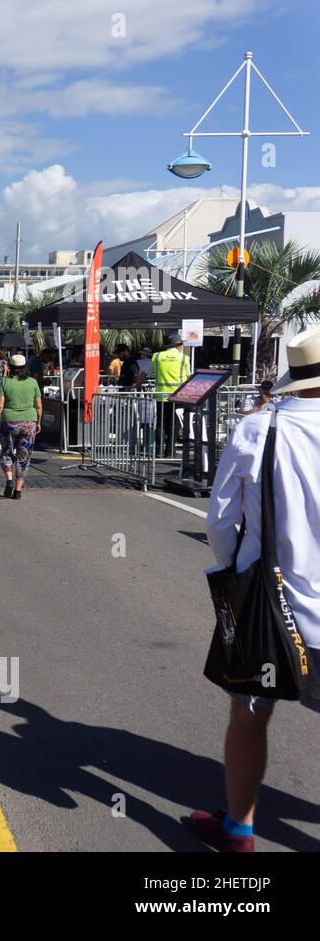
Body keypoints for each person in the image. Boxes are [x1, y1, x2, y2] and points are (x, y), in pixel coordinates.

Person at [192, 328, 320, 852]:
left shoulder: (257, 430)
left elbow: (220, 524)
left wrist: (236, 571)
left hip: (268, 602)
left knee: (249, 715)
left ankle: (240, 831)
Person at [0, 353, 42, 499]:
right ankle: (18, 490)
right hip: (29, 422)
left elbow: (0, 405)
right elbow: (39, 405)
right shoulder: (33, 382)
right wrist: (38, 422)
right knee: (24, 456)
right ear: (25, 367)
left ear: (10, 367)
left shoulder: (5, 382)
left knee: (7, 451)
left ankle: (9, 480)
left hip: (9, 421)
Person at [152, 332, 191, 455]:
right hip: (178, 397)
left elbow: (150, 372)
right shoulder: (184, 358)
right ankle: (170, 451)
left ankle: (158, 451)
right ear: (178, 345)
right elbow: (189, 377)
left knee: (160, 424)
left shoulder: (157, 356)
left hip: (161, 396)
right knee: (174, 424)